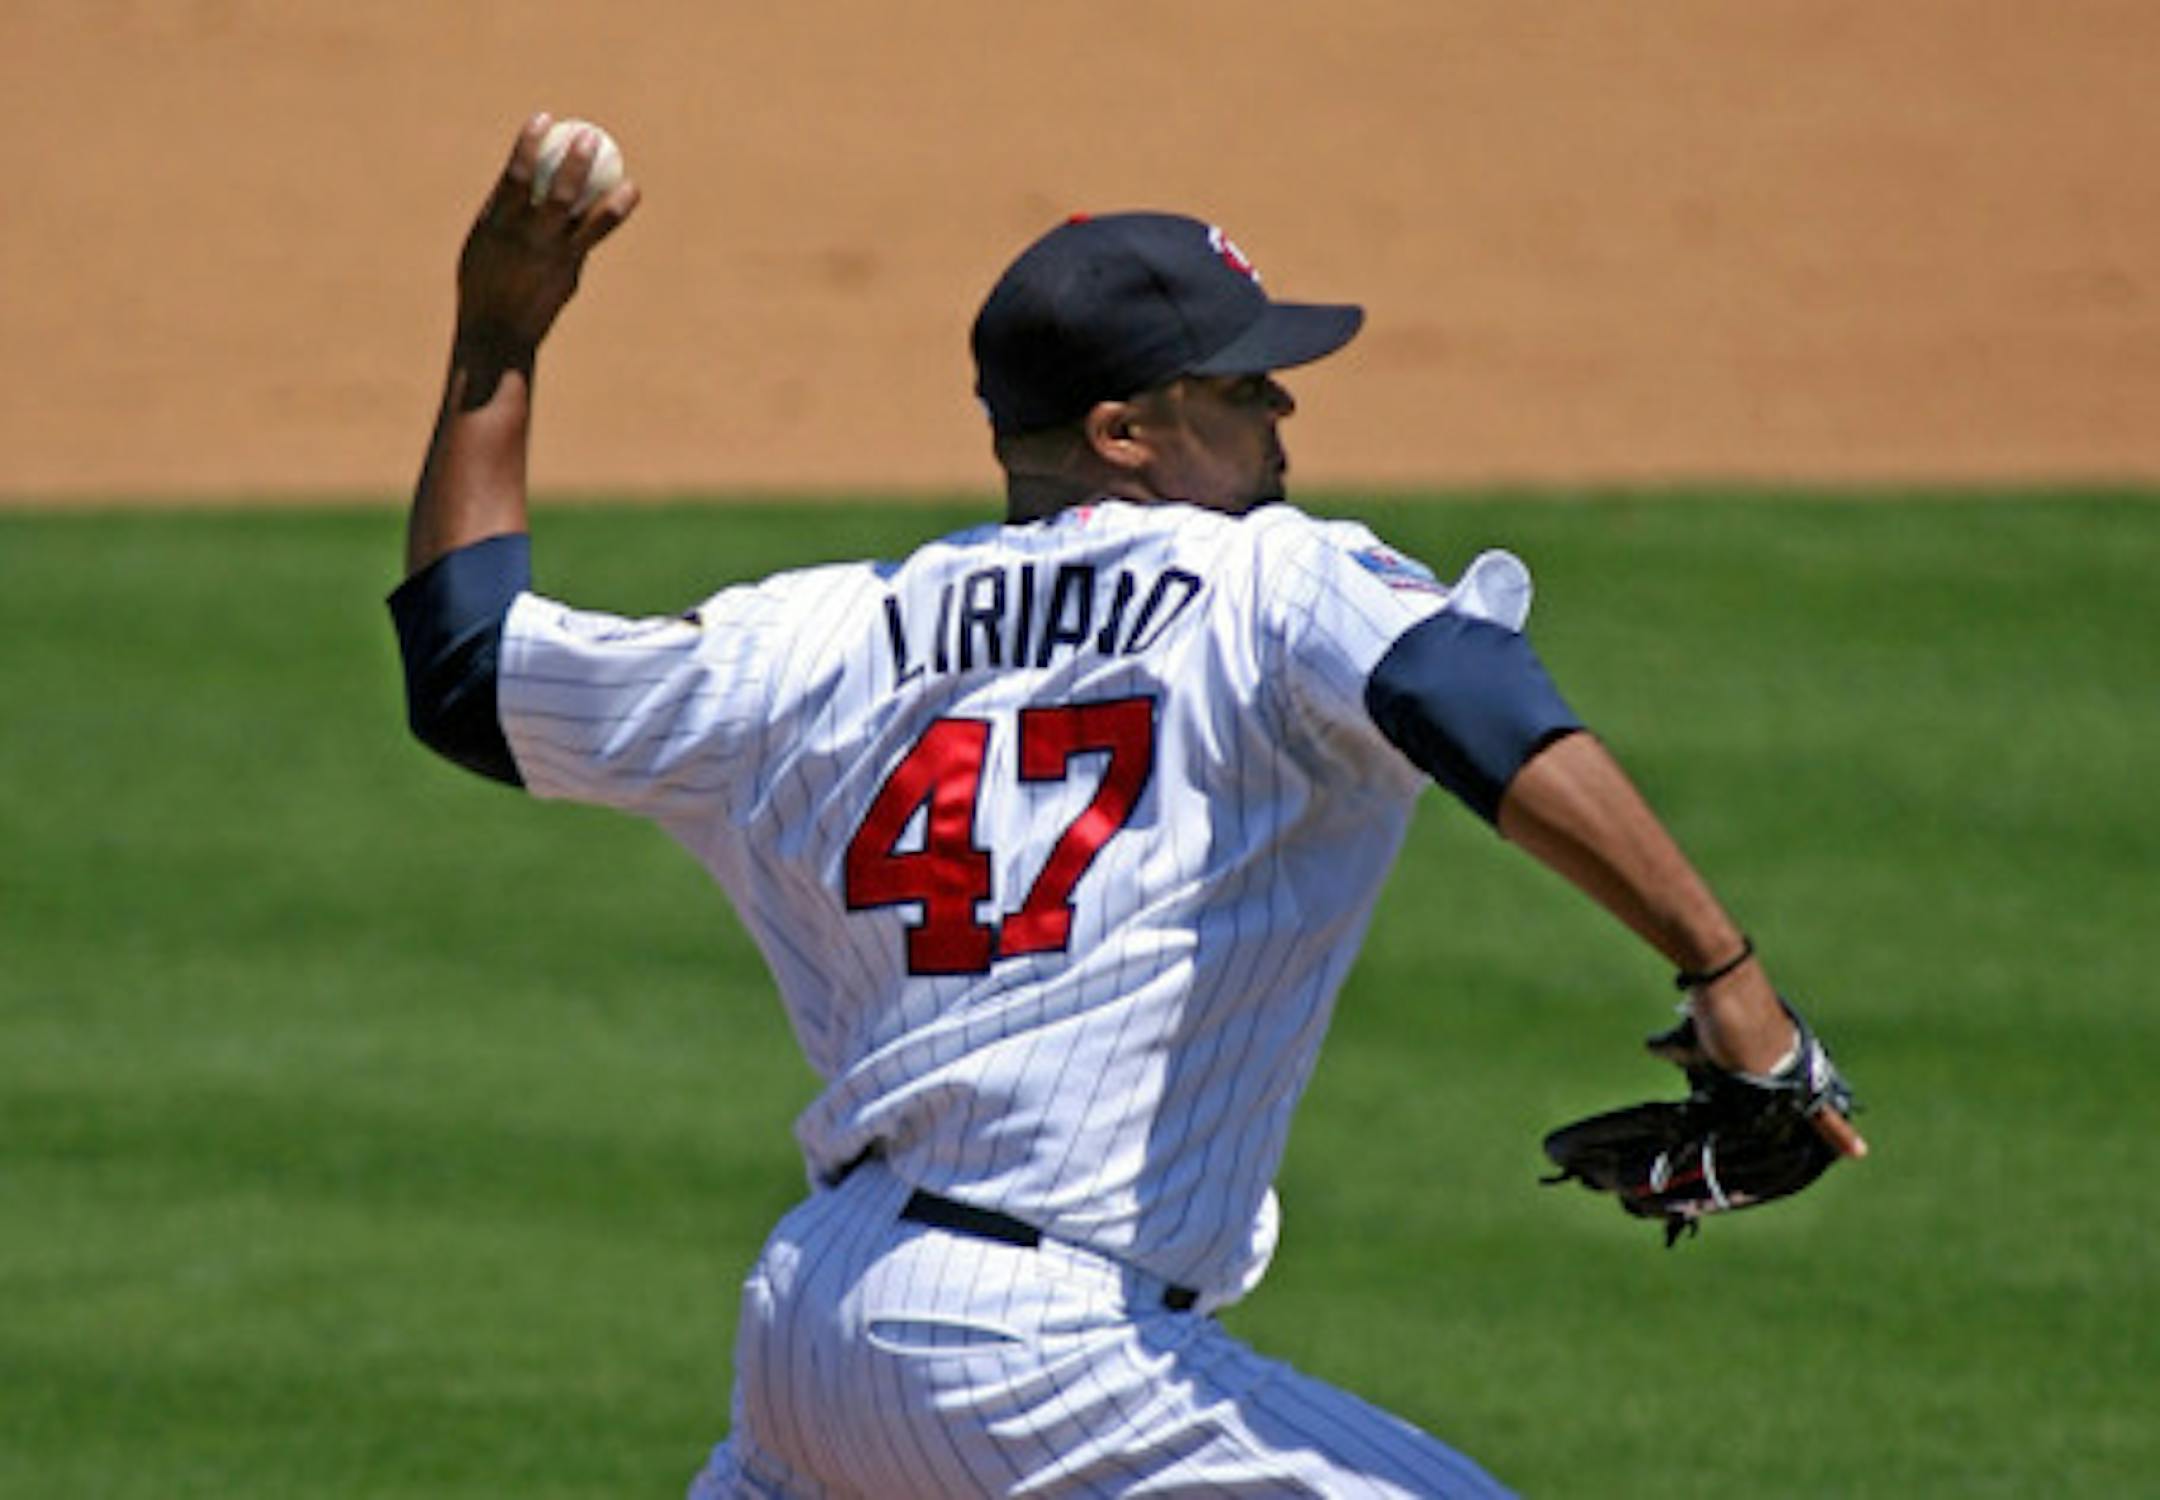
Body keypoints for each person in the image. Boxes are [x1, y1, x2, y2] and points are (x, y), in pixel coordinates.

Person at [391, 117, 1864, 1498]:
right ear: (1123, 432)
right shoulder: (1271, 577)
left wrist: (500, 330)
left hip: (814, 1325)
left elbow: (467, 674)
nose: (1282, 408)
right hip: (1044, 1361)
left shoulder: (815, 638)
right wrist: (1729, 979)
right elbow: (1465, 694)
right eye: (1237, 384)